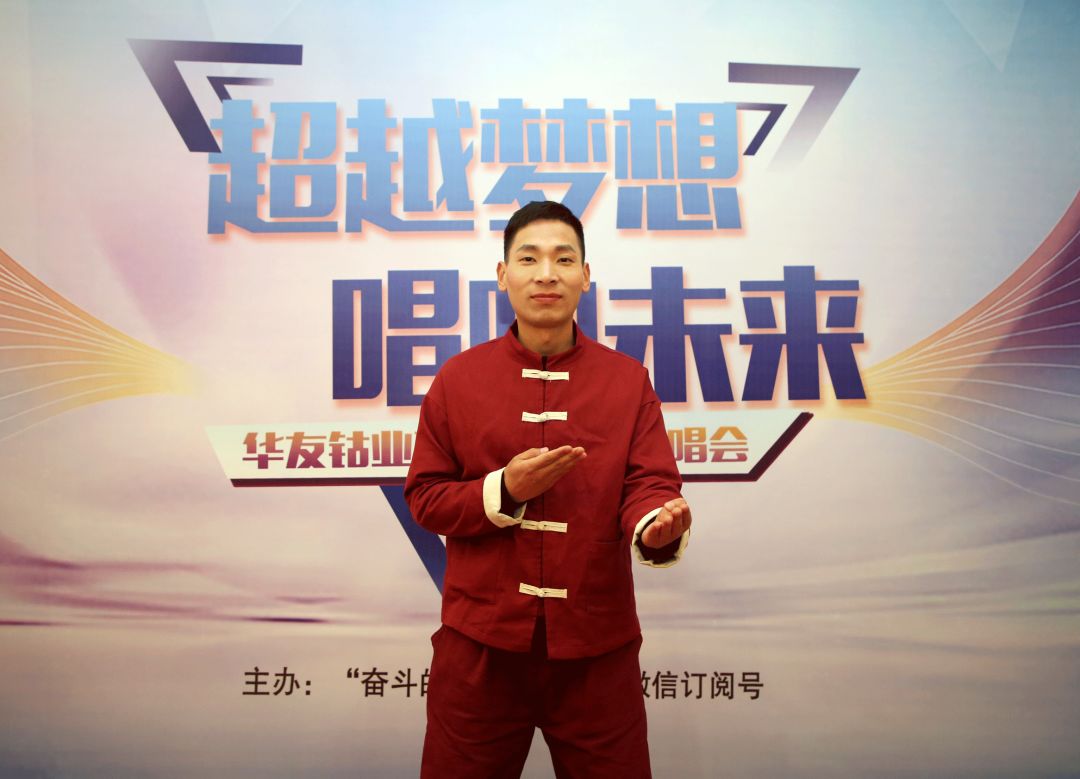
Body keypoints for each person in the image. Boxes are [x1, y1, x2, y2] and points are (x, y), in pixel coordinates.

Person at [404, 200, 692, 778]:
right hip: (480, 645)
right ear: (502, 275)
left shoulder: (626, 381)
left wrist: (655, 524)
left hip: (597, 647)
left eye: (563, 259)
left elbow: (649, 483)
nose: (546, 274)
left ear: (585, 275)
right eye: (528, 258)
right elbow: (426, 497)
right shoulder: (458, 380)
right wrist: (503, 490)